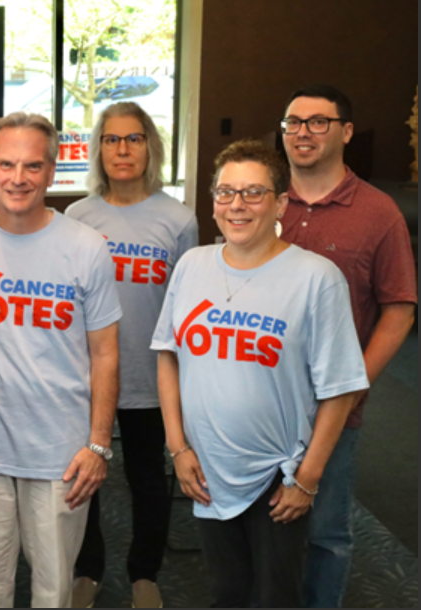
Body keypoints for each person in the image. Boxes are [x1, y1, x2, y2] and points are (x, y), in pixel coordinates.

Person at [152, 140, 370, 608]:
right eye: (225, 192)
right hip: (207, 467)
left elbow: (341, 388)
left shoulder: (317, 277)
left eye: (253, 192)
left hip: (279, 474)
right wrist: (178, 447)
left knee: (276, 596)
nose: (237, 205)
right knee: (227, 590)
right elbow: (167, 356)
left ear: (280, 203)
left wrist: (307, 478)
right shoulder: (192, 266)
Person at [0, 112, 122, 608]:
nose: (18, 178)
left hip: (60, 453)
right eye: (7, 164)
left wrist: (99, 445)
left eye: (33, 166)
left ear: (52, 169)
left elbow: (105, 352)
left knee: (53, 590)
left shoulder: (86, 247)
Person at [278, 85, 418, 608]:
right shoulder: (261, 200)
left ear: (346, 131)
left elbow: (399, 309)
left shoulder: (378, 213)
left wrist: (352, 385)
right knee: (260, 528)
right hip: (260, 398)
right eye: (293, 122)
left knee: (325, 535)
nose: (303, 133)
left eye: (318, 122)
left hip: (333, 407)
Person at [65, 102, 198, 609]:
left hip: (149, 374)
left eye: (134, 139)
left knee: (146, 478)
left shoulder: (178, 219)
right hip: (87, 374)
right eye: (112, 139)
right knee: (84, 479)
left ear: (151, 147)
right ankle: (88, 568)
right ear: (99, 148)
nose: (123, 150)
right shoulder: (77, 217)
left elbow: (186, 305)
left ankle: (145, 573)